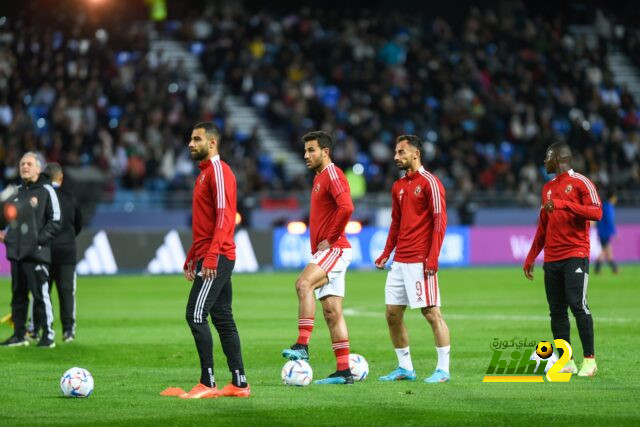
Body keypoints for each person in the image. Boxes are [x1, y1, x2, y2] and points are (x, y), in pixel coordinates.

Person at [179, 122, 250, 399]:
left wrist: (209, 255)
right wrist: (192, 255)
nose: (190, 144)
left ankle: (207, 382)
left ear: (212, 143)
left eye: (196, 139)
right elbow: (205, 223)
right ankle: (239, 383)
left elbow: (224, 216)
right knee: (222, 318)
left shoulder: (219, 171)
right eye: (190, 138)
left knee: (196, 314)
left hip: (217, 255)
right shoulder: (203, 174)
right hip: (210, 253)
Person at [374, 135, 451, 384]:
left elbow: (440, 221)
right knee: (392, 314)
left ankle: (443, 370)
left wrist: (432, 258)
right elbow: (396, 224)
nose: (396, 157)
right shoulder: (398, 186)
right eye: (396, 152)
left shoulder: (430, 183)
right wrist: (387, 253)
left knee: (431, 313)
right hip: (400, 261)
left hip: (420, 260)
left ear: (415, 154)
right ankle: (405, 367)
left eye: (401, 152)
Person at [282, 130, 355, 385]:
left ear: (326, 151)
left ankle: (302, 345)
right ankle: (344, 372)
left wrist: (332, 237)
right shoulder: (319, 178)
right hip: (328, 250)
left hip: (335, 249)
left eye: (311, 150)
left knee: (303, 284)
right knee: (332, 312)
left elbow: (347, 207)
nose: (306, 155)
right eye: (305, 151)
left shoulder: (333, 174)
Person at [523, 142, 602, 377]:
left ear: (558, 158)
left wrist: (564, 204)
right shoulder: (546, 188)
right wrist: (530, 257)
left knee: (578, 305)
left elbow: (597, 212)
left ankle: (590, 360)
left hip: (575, 255)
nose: (544, 162)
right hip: (552, 259)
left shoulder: (580, 182)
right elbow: (542, 228)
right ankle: (566, 361)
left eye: (547, 157)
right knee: (556, 311)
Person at [0, 152, 61, 348]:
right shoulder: (15, 192)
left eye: (28, 164)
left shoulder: (46, 190)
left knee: (40, 295)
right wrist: (6, 236)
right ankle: (19, 335)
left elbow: (56, 220)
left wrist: (38, 241)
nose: (24, 167)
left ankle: (48, 336)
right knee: (18, 295)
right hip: (16, 253)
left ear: (38, 168)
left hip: (36, 254)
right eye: (22, 164)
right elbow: (5, 220)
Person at [43, 162, 82, 342]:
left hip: (44, 252)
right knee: (67, 292)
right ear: (61, 177)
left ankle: (42, 328)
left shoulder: (41, 197)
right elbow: (79, 224)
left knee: (43, 293)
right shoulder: (70, 197)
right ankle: (68, 331)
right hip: (67, 252)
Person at [595, 189, 618, 274]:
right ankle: (614, 268)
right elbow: (609, 220)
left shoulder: (604, 205)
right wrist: (614, 233)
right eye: (615, 197)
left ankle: (601, 269)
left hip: (602, 232)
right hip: (605, 232)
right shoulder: (609, 206)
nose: (616, 199)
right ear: (612, 197)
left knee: (605, 250)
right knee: (607, 250)